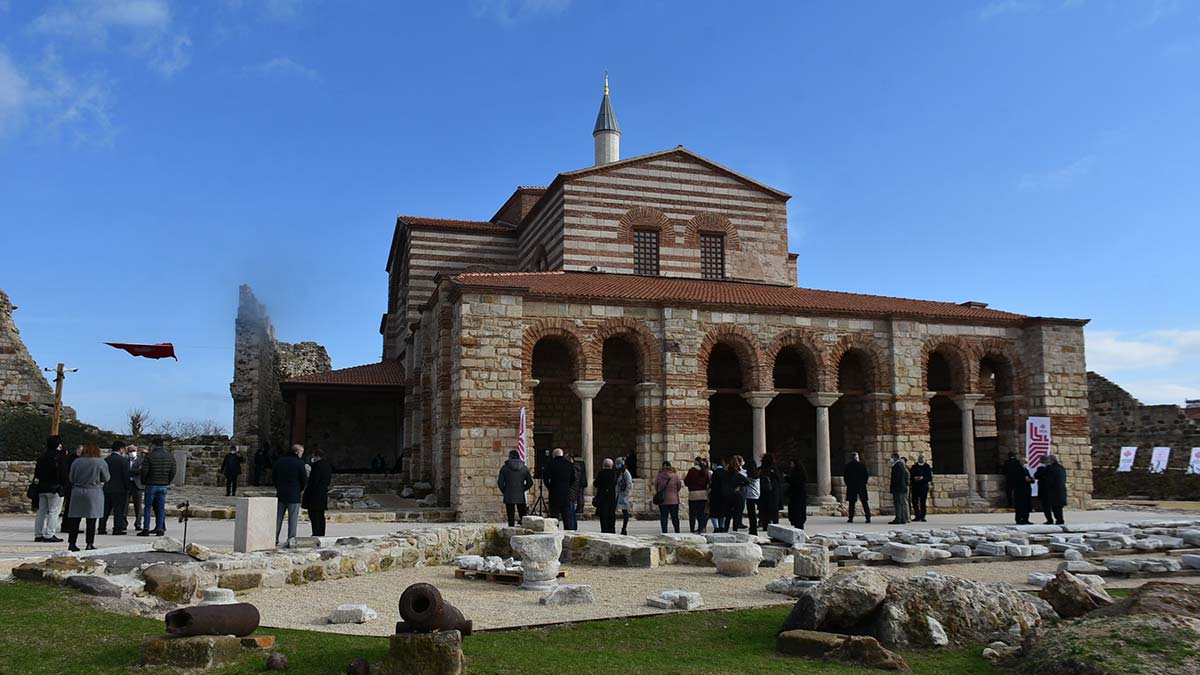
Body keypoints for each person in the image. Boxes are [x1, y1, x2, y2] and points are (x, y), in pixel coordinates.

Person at [65, 444, 109, 552]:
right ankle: (89, 543)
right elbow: (106, 478)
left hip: (77, 491)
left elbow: (71, 477)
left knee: (75, 519)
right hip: (93, 491)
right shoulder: (100, 462)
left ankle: (72, 543)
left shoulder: (76, 462)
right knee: (91, 520)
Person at [33, 436, 67, 543]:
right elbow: (63, 473)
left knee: (41, 511)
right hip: (55, 487)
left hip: (42, 487)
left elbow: (37, 473)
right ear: (58, 445)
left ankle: (38, 534)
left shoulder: (42, 456)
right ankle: (49, 534)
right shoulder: (58, 457)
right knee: (54, 511)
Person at [137, 444, 176, 537]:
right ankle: (159, 529)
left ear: (153, 446)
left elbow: (144, 471)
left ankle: (146, 529)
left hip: (151, 485)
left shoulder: (149, 456)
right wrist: (168, 481)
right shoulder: (169, 456)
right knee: (161, 508)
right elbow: (173, 470)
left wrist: (144, 482)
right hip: (163, 485)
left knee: (147, 508)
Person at [273, 444, 308, 546]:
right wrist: (299, 489)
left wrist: (278, 487)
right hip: (294, 494)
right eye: (301, 452)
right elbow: (304, 480)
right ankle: (290, 539)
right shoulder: (299, 463)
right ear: (297, 452)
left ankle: (274, 538)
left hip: (281, 493)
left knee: (278, 517)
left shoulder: (279, 462)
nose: (302, 454)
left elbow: (274, 477)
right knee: (293, 519)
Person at [99, 441, 130, 535]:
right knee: (119, 510)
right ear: (121, 449)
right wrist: (128, 488)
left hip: (107, 488)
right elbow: (126, 476)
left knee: (105, 510)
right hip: (120, 489)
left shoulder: (106, 460)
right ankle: (117, 528)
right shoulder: (123, 460)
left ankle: (101, 527)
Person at [497, 450, 534, 527]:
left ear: (510, 457)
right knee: (523, 516)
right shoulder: (524, 468)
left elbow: (500, 483)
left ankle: (510, 533)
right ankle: (524, 534)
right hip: (520, 495)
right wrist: (522, 489)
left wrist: (505, 491)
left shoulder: (504, 468)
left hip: (509, 495)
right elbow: (530, 482)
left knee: (510, 518)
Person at [544, 448, 577, 529]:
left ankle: (555, 531)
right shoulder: (569, 464)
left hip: (554, 492)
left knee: (554, 516)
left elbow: (545, 478)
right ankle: (568, 533)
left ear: (554, 455)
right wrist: (567, 486)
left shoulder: (550, 464)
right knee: (567, 516)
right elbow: (573, 479)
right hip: (565, 493)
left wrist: (550, 487)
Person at [303, 448, 332, 536]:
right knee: (321, 516)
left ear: (317, 456)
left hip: (314, 495)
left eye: (314, 457)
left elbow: (313, 482)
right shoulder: (328, 466)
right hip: (323, 493)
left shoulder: (316, 467)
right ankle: (321, 533)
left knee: (314, 516)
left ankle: (316, 533)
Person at [1035, 454, 1068, 525]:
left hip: (1051, 491)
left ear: (1051, 461)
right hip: (1060, 490)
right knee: (1058, 507)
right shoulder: (1061, 467)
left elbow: (1048, 480)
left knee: (1052, 507)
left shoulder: (1050, 468)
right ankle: (1060, 520)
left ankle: (1053, 520)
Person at [654, 460, 682, 534]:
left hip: (663, 500)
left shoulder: (659, 476)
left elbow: (656, 486)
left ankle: (664, 532)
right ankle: (677, 531)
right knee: (675, 517)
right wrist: (674, 492)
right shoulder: (675, 476)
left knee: (664, 517)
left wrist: (659, 491)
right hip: (674, 500)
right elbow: (679, 486)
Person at [684, 456, 710, 534]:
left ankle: (692, 529)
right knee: (701, 513)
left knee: (692, 514)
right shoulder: (705, 471)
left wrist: (691, 485)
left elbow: (686, 481)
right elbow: (707, 482)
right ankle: (700, 528)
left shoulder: (692, 471)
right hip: (703, 494)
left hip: (693, 494)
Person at [843, 452, 871, 524]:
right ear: (857, 458)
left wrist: (848, 484)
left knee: (851, 503)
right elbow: (866, 476)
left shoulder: (848, 466)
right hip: (861, 486)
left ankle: (851, 518)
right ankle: (868, 517)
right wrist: (863, 483)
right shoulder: (862, 465)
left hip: (852, 486)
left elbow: (845, 477)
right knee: (864, 502)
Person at [593, 458, 618, 534]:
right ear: (612, 465)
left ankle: (604, 532)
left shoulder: (601, 473)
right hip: (611, 498)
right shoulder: (614, 474)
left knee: (603, 517)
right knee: (611, 516)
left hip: (602, 498)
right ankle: (612, 531)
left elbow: (595, 484)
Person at [758, 454, 782, 531]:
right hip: (773, 493)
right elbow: (779, 479)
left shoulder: (761, 469)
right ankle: (775, 526)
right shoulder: (774, 469)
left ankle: (765, 525)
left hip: (764, 492)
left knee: (764, 511)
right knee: (774, 512)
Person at [909, 455, 932, 522]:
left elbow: (929, 478)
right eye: (920, 458)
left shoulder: (927, 467)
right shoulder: (914, 467)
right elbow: (911, 476)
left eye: (922, 458)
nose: (921, 459)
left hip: (923, 487)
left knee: (922, 502)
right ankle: (917, 516)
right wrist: (914, 478)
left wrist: (923, 478)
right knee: (914, 502)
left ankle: (923, 516)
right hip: (915, 487)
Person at [785, 459, 808, 529]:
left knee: (798, 512)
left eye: (792, 464)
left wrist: (787, 478)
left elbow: (795, 483)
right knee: (795, 512)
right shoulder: (795, 473)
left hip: (798, 496)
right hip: (795, 496)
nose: (791, 466)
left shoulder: (799, 474)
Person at [888, 453, 910, 525]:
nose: (890, 459)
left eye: (891, 458)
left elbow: (897, 479)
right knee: (901, 503)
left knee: (898, 504)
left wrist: (894, 488)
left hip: (898, 488)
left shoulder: (897, 466)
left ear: (895, 458)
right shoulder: (900, 465)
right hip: (901, 488)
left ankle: (899, 518)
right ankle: (902, 518)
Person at [127, 446, 145, 533]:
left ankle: (138, 524)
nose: (132, 452)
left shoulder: (141, 460)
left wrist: (130, 470)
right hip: (127, 484)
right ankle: (123, 523)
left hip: (137, 485)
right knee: (124, 505)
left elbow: (140, 471)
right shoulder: (125, 460)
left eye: (133, 450)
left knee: (138, 506)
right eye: (130, 451)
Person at [708, 458, 727, 532]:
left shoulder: (715, 473)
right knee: (722, 513)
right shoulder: (725, 472)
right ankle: (722, 527)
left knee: (713, 513)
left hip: (715, 495)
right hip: (724, 495)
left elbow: (712, 484)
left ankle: (716, 527)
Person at [1013, 455, 1034, 525]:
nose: (1026, 463)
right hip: (1020, 491)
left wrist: (1030, 480)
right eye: (1025, 462)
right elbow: (1015, 479)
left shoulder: (1026, 470)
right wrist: (1024, 479)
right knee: (1020, 506)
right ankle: (1019, 519)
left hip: (1027, 490)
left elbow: (1030, 479)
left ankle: (1026, 519)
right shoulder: (1016, 469)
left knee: (1026, 506)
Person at [615, 458, 633, 535]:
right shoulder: (620, 472)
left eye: (618, 464)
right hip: (619, 494)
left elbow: (629, 484)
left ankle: (624, 528)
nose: (617, 465)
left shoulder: (626, 473)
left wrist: (626, 494)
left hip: (623, 495)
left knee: (625, 512)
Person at [744, 457, 762, 536]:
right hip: (756, 494)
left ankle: (753, 530)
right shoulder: (756, 473)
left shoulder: (748, 474)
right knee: (754, 514)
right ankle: (754, 529)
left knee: (751, 514)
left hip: (750, 496)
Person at [571, 454, 588, 520]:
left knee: (579, 495)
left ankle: (580, 508)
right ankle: (580, 508)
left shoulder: (576, 464)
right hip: (583, 481)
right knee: (581, 495)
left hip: (579, 482)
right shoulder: (582, 463)